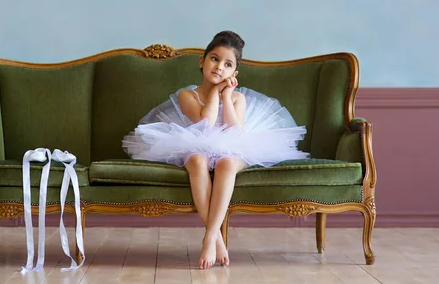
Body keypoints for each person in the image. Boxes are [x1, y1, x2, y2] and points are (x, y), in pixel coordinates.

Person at [123, 30, 309, 269]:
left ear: (234, 73)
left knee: (227, 163)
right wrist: (213, 93)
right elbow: (205, 123)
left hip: (234, 143)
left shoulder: (238, 98)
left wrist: (227, 95)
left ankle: (210, 236)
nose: (219, 67)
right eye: (214, 59)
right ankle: (217, 239)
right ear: (202, 61)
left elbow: (234, 130)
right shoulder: (187, 94)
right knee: (197, 160)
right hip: (195, 140)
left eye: (227, 64)